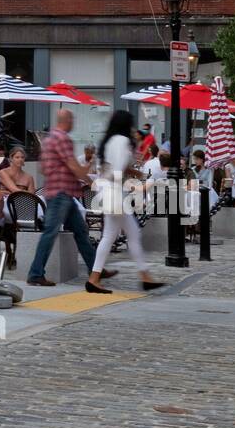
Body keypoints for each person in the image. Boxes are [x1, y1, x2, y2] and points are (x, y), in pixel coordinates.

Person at [26, 109, 116, 287]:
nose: (74, 122)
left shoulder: (49, 139)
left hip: (58, 191)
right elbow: (74, 166)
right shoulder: (62, 138)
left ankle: (95, 267)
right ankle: (35, 273)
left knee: (81, 231)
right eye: (73, 119)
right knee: (50, 232)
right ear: (66, 120)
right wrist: (88, 169)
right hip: (62, 193)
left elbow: (44, 169)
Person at [86, 111, 165, 293]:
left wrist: (135, 173)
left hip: (107, 191)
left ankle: (142, 276)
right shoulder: (122, 141)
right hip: (115, 193)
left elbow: (112, 167)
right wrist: (134, 180)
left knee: (121, 235)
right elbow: (119, 169)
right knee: (122, 235)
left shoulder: (108, 141)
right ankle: (96, 278)